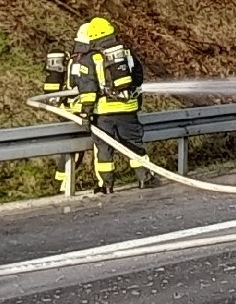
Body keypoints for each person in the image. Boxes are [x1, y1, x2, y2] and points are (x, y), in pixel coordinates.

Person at [72, 17, 154, 192]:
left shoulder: (91, 58)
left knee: (104, 150)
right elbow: (138, 77)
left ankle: (106, 186)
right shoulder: (126, 53)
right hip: (128, 109)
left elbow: (88, 89)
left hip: (104, 113)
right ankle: (144, 179)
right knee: (134, 145)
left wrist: (86, 113)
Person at [43, 47, 84, 192]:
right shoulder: (78, 63)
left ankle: (60, 183)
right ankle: (61, 184)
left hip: (65, 110)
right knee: (76, 149)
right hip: (73, 112)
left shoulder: (70, 63)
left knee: (73, 149)